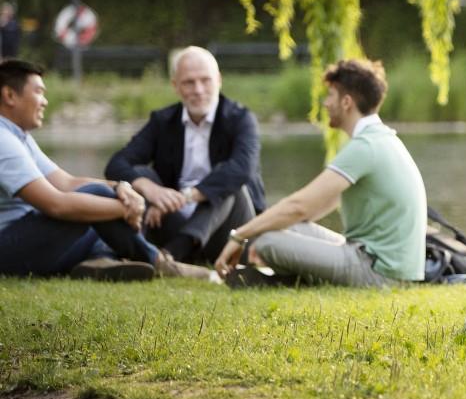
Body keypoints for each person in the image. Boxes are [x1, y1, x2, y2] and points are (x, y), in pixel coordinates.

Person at [213, 58, 427, 288]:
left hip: (379, 272)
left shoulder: (365, 147)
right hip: (382, 263)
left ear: (346, 102)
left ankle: (289, 281)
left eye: (330, 96)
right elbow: (321, 204)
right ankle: (288, 280)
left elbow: (299, 206)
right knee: (283, 227)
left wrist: (240, 235)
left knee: (267, 241)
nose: (325, 104)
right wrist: (284, 231)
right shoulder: (382, 138)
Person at [0, 59, 214, 281]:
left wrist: (122, 188)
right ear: (10, 96)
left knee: (100, 210)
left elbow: (67, 183)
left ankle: (99, 261)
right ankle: (158, 262)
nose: (44, 101)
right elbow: (56, 205)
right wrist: (123, 209)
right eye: (38, 92)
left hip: (27, 239)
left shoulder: (19, 136)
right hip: (7, 247)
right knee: (96, 199)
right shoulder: (3, 140)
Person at [105, 47, 265, 264]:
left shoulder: (241, 119)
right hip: (174, 220)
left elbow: (242, 168)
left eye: (205, 80)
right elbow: (117, 163)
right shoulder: (162, 121)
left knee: (229, 182)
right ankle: (144, 249)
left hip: (233, 230)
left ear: (218, 80)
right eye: (189, 82)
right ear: (175, 86)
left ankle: (172, 254)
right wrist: (152, 191)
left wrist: (188, 196)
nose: (198, 90)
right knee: (139, 175)